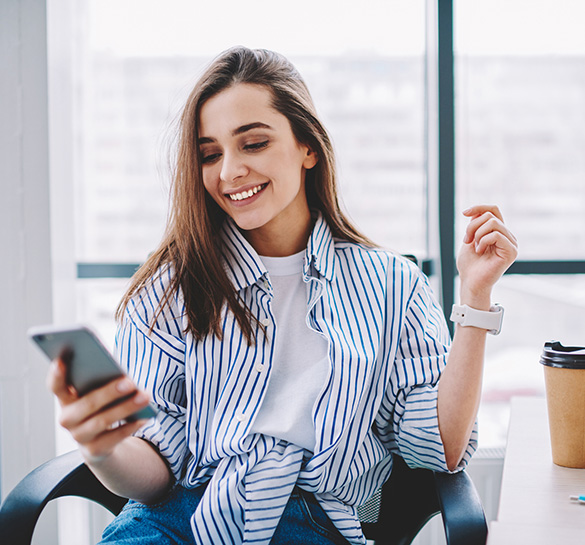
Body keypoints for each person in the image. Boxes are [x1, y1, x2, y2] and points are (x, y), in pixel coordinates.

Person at [48, 46, 518, 545]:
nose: (228, 172)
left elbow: (440, 446)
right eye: (210, 154)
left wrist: (475, 296)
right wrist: (101, 448)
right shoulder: (171, 287)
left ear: (307, 148)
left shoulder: (391, 284)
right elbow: (158, 472)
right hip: (179, 519)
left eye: (252, 144)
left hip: (314, 522)